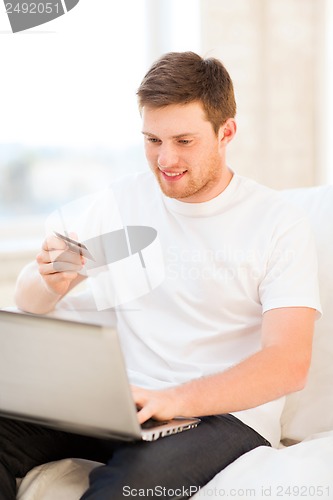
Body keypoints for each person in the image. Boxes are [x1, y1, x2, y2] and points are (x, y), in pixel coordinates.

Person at [1, 51, 321, 499]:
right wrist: (49, 279)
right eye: (152, 139)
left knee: (126, 491)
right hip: (121, 403)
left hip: (223, 418)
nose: (165, 159)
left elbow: (288, 364)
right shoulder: (122, 202)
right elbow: (30, 302)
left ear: (226, 131)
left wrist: (177, 399)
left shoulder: (277, 223)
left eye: (184, 141)